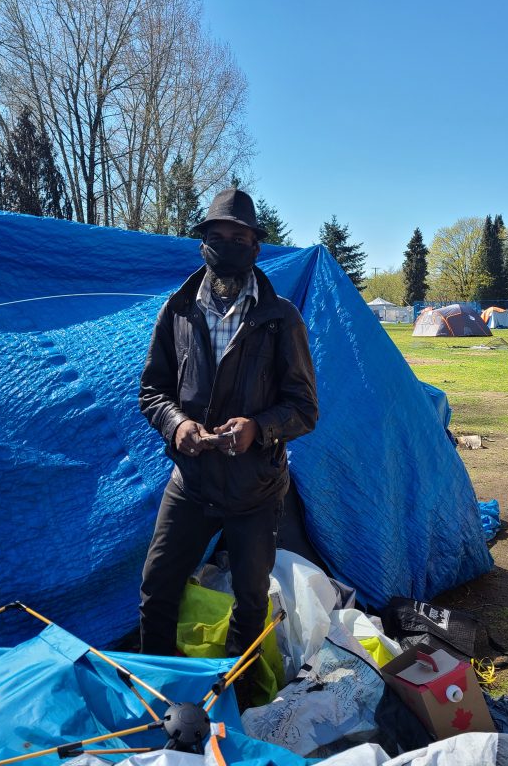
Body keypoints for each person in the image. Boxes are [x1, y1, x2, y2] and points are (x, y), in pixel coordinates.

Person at [138, 188, 319, 662]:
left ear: (256, 248)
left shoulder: (281, 318)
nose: (227, 247)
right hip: (191, 483)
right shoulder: (178, 311)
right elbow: (152, 392)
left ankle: (239, 694)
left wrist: (258, 428)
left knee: (251, 603)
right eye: (217, 238)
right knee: (157, 589)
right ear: (202, 245)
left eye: (239, 239)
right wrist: (177, 425)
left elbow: (304, 408)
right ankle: (155, 685)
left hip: (255, 489)